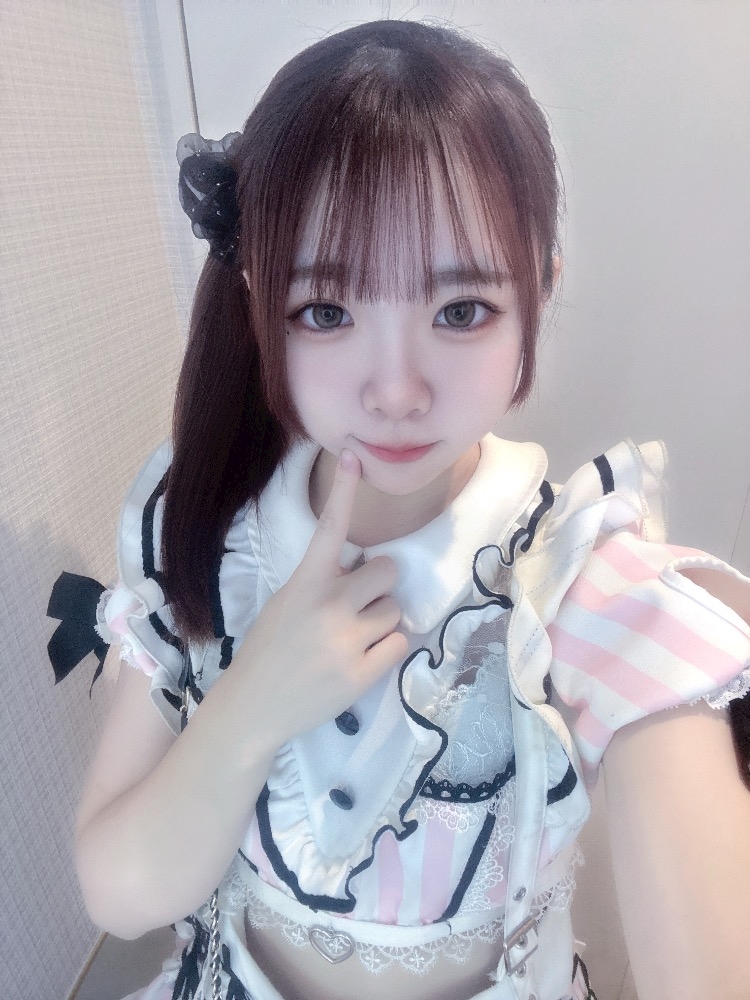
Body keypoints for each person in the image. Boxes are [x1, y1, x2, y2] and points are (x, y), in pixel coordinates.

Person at [72, 19, 750, 1000]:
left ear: (539, 294)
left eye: (460, 311)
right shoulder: (209, 531)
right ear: (259, 301)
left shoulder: (577, 576)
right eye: (328, 312)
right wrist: (253, 704)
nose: (396, 390)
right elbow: (119, 895)